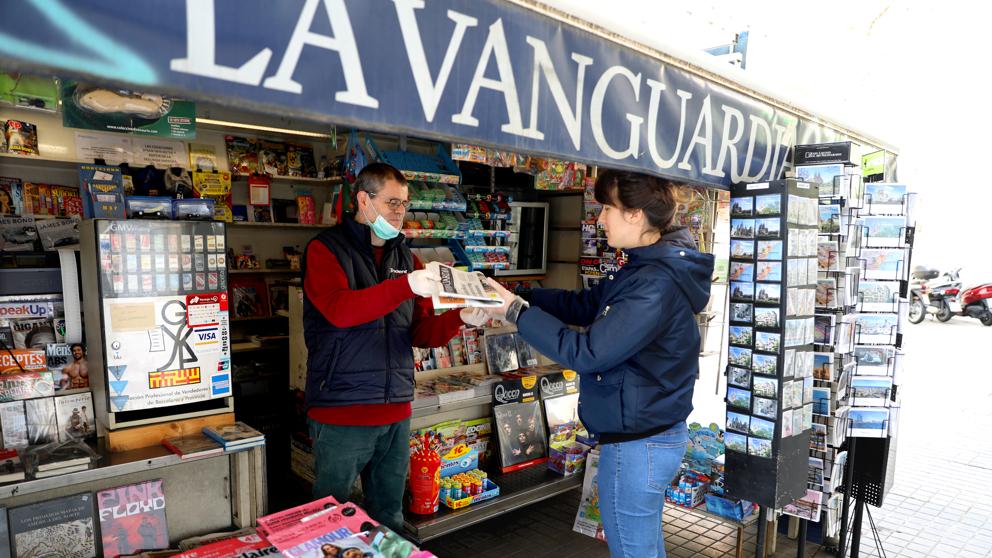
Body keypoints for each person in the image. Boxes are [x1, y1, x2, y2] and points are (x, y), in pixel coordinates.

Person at [484, 170, 714, 558]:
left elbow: (587, 353)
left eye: (608, 208)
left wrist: (515, 311)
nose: (599, 218)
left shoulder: (654, 284)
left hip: (640, 444)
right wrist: (517, 294)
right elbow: (585, 305)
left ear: (636, 215)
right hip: (648, 434)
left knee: (633, 550)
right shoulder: (647, 267)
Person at [303, 162, 487, 532]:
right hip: (343, 409)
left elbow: (421, 334)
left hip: (396, 409)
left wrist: (461, 318)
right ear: (363, 201)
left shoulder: (407, 259)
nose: (400, 212)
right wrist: (406, 287)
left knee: (389, 516)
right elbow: (340, 311)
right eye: (391, 202)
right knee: (329, 519)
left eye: (404, 204)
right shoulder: (325, 250)